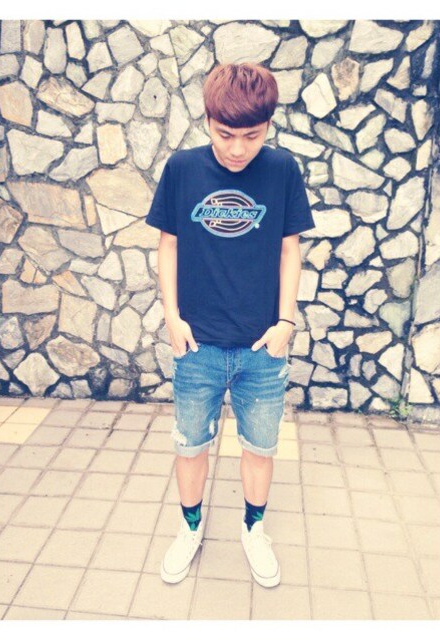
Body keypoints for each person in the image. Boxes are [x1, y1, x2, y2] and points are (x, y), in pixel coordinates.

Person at [145, 62, 315, 588]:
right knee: (190, 444)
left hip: (262, 347)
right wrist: (172, 316)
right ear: (207, 121)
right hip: (196, 344)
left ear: (269, 126)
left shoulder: (282, 170)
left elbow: (290, 248)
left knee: (260, 448)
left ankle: (253, 530)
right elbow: (168, 244)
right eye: (225, 135)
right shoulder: (182, 169)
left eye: (252, 136)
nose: (238, 149)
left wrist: (286, 321)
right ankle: (190, 527)